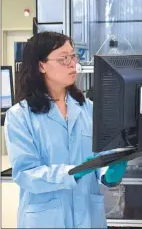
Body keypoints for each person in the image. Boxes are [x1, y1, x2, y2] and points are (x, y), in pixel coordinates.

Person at [4, 31, 128, 228]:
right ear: (41, 65)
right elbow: (25, 174)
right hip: (46, 219)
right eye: (63, 59)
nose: (72, 64)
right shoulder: (19, 116)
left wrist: (109, 172)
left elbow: (100, 159)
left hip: (88, 216)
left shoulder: (88, 109)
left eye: (73, 56)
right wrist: (73, 173)